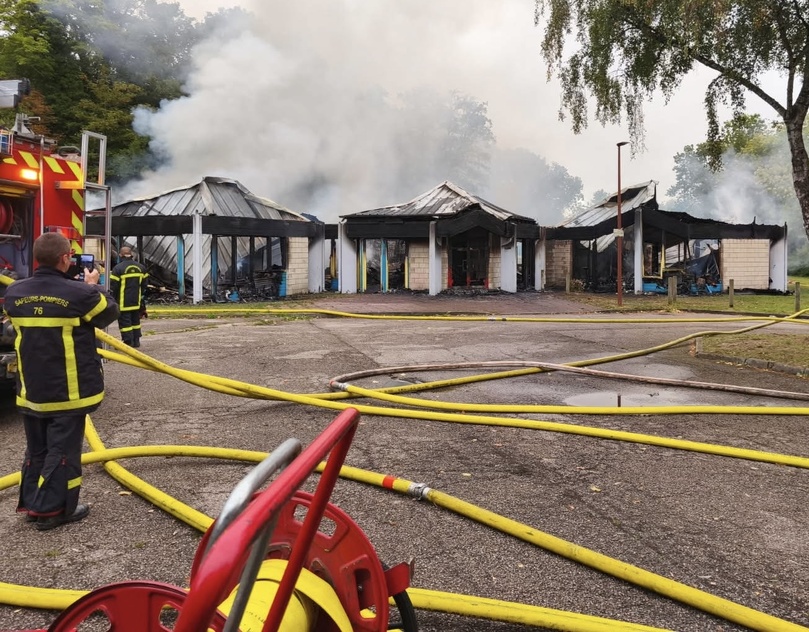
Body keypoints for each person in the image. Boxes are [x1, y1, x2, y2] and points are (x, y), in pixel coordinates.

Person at [3, 232, 119, 530]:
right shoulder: (80, 294)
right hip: (69, 392)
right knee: (63, 452)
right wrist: (94, 286)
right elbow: (108, 314)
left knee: (37, 449)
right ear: (66, 258)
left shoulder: (15, 293)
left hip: (31, 391)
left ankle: (33, 504)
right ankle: (54, 511)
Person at [109, 246, 149, 347]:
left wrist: (112, 300)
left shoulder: (118, 269)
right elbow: (144, 285)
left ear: (120, 255)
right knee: (135, 321)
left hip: (123, 303)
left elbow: (114, 287)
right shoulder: (141, 268)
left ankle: (128, 342)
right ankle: (136, 341)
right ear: (131, 254)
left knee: (125, 322)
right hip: (136, 302)